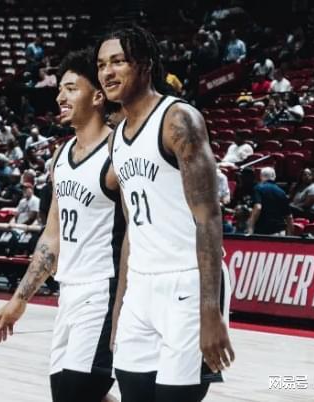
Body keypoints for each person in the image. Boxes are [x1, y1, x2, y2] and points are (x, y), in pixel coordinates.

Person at [97, 26, 233, 402]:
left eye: (118, 61)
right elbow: (132, 230)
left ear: (145, 65)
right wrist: (120, 308)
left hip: (187, 282)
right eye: (101, 64)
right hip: (140, 286)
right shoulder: (116, 138)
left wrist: (210, 310)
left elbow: (209, 217)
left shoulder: (178, 120)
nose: (107, 72)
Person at [0, 49, 124, 402]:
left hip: (105, 289)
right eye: (60, 89)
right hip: (69, 290)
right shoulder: (60, 158)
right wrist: (20, 299)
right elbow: (52, 237)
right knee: (72, 395)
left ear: (97, 96)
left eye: (70, 88)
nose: (60, 97)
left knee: (76, 394)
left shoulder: (119, 153)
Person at [247, 167, 294, 235]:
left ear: (261, 176)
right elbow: (289, 217)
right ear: (274, 177)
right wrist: (290, 236)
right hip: (279, 232)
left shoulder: (258, 188)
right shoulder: (282, 192)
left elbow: (258, 207)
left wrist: (250, 225)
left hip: (263, 232)